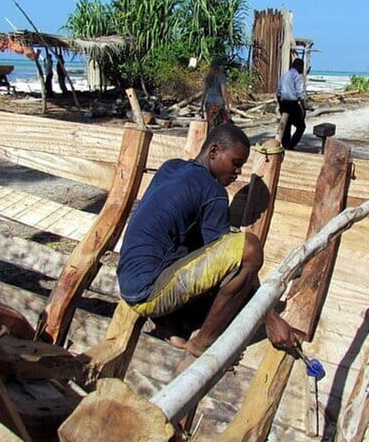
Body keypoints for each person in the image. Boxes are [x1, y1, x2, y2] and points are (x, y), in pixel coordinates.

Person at [117, 123, 298, 364]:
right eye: (236, 163)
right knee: (250, 249)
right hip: (148, 294)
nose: (238, 172)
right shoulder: (213, 192)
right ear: (213, 151)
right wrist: (271, 317)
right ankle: (203, 342)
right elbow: (233, 261)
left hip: (127, 284)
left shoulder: (171, 167)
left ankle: (169, 324)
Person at [276, 58, 307, 150]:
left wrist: (280, 104)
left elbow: (278, 91)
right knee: (301, 126)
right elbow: (300, 93)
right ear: (299, 66)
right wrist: (303, 107)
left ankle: (285, 145)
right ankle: (291, 145)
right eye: (302, 67)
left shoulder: (284, 75)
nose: (302, 69)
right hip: (292, 104)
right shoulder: (297, 76)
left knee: (286, 126)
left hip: (283, 102)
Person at [200, 57, 231, 130]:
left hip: (209, 104)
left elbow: (204, 92)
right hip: (218, 104)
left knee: (210, 125)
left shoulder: (208, 77)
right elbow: (224, 93)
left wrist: (201, 106)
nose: (223, 67)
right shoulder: (222, 77)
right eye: (222, 65)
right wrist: (227, 108)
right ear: (219, 66)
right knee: (220, 127)